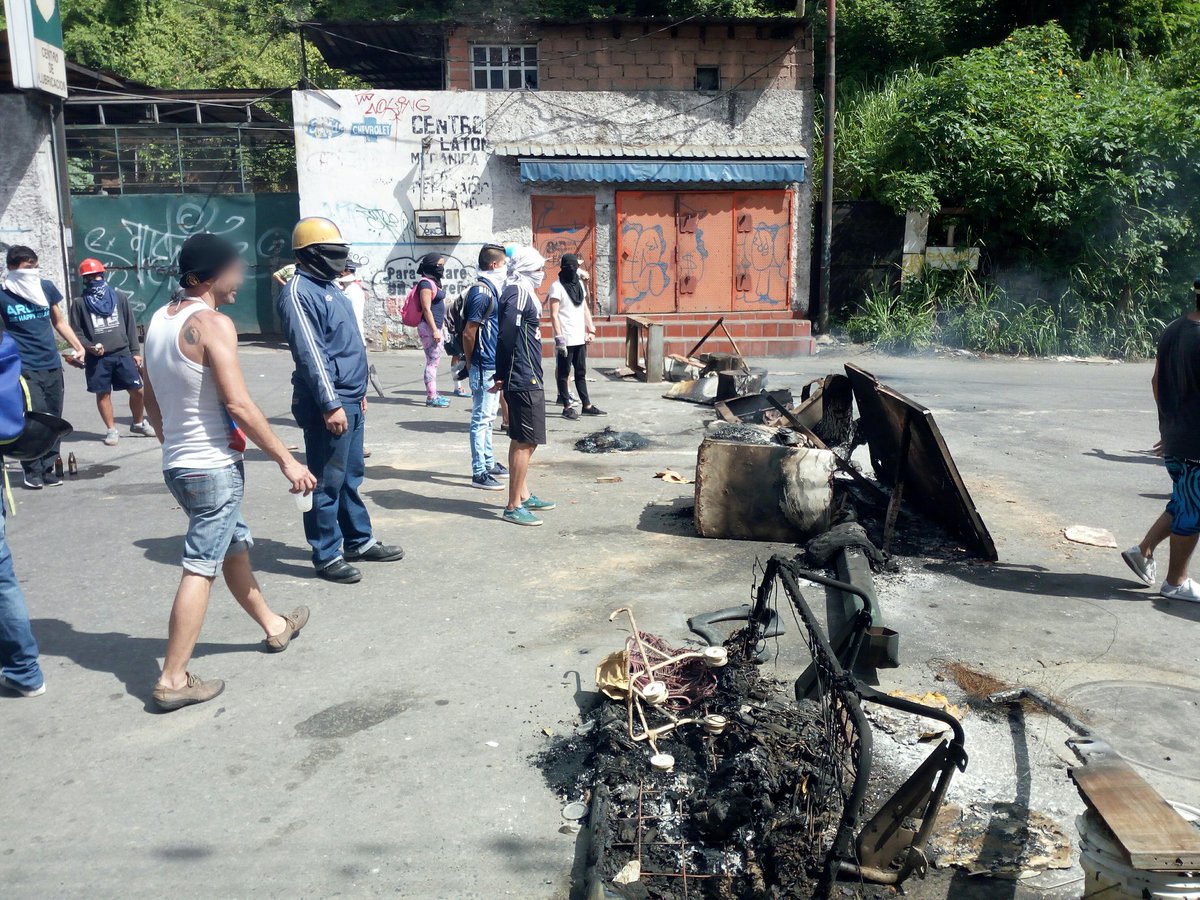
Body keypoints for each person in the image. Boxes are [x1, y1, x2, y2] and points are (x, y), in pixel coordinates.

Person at [141, 233, 318, 711]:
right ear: (212, 275)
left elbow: (151, 397)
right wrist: (287, 458)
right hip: (212, 466)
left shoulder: (158, 320)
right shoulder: (213, 324)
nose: (242, 276)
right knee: (201, 566)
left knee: (233, 545)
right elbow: (238, 402)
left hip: (180, 464)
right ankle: (173, 679)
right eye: (235, 268)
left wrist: (171, 443)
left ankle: (275, 627)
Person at [278, 217, 404, 583]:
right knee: (326, 480)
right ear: (309, 255)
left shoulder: (330, 287)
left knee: (350, 476)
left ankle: (359, 541)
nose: (340, 260)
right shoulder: (300, 292)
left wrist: (360, 389)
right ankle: (326, 552)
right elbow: (311, 354)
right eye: (332, 253)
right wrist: (331, 404)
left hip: (350, 396)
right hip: (327, 403)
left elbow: (348, 344)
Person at [1122, 274, 1200, 604]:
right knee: (1193, 508)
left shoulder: (1173, 328)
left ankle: (1143, 551)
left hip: (1178, 436)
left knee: (1186, 500)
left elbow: (1156, 382)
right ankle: (1175, 582)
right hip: (1196, 442)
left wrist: (1167, 428)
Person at [0, 245, 87, 489]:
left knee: (52, 417)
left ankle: (49, 467)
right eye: (27, 267)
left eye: (35, 266)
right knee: (33, 416)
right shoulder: (4, 295)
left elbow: (59, 322)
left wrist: (77, 347)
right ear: (11, 268)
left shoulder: (45, 288)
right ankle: (32, 469)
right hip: (24, 367)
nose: (33, 271)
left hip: (51, 364)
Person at [493, 247, 556, 526]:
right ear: (527, 267)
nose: (542, 273)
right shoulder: (517, 292)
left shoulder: (523, 291)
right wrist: (502, 372)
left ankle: (523, 494)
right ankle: (513, 505)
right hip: (522, 375)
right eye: (538, 267)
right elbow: (506, 334)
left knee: (521, 437)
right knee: (527, 440)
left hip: (527, 372)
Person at [69, 258, 155, 446]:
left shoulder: (118, 297)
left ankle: (138, 423)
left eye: (97, 275)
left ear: (103, 275)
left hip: (122, 352)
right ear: (85, 280)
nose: (95, 279)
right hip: (98, 359)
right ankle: (111, 429)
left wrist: (135, 351)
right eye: (90, 277)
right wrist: (89, 347)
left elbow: (130, 325)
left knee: (138, 391)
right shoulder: (79, 303)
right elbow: (76, 331)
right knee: (103, 393)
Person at [462, 243, 508, 490]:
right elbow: (470, 333)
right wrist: (471, 364)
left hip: (491, 362)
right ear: (494, 265)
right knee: (481, 418)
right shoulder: (481, 292)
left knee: (489, 416)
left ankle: (488, 462)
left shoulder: (491, 288)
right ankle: (479, 471)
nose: (505, 268)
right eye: (503, 264)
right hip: (483, 363)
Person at [549, 254, 605, 420]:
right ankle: (566, 406)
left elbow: (585, 308)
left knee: (580, 372)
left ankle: (586, 405)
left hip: (580, 336)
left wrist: (591, 328)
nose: (576, 270)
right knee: (564, 373)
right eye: (574, 266)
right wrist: (559, 337)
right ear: (568, 267)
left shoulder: (579, 284)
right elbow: (554, 314)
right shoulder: (556, 287)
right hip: (565, 338)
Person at [415, 253, 450, 408]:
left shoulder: (432, 282)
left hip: (436, 327)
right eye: (439, 265)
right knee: (432, 363)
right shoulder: (425, 284)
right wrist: (435, 330)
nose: (441, 268)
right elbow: (426, 309)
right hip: (429, 328)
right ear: (431, 266)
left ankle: (433, 393)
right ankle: (431, 397)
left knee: (434, 362)